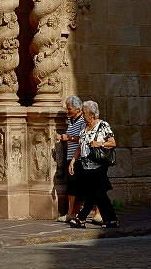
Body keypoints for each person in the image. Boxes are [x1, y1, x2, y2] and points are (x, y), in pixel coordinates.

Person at [68, 100, 119, 228]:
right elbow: (80, 146)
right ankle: (111, 220)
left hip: (98, 166)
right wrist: (73, 161)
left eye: (84, 112)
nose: (83, 115)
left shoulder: (102, 125)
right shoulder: (85, 128)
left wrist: (100, 143)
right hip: (86, 166)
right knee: (98, 193)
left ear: (91, 114)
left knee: (92, 193)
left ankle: (81, 218)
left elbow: (112, 142)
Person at [57, 95, 86, 222]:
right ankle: (72, 212)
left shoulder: (83, 121)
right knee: (72, 185)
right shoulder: (71, 120)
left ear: (77, 109)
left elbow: (84, 139)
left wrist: (68, 138)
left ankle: (72, 212)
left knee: (76, 186)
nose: (67, 111)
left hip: (78, 157)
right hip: (70, 156)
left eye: (69, 109)